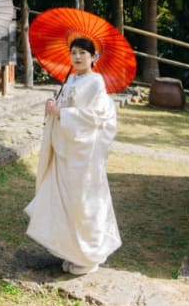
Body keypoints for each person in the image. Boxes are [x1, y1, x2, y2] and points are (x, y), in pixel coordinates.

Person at [24, 36, 120, 274]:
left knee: (82, 203)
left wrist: (63, 114)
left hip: (83, 155)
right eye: (74, 52)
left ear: (93, 58)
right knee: (64, 202)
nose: (77, 57)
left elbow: (95, 117)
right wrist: (54, 106)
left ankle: (88, 256)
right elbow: (64, 106)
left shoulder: (96, 83)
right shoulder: (70, 79)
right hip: (65, 150)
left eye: (83, 53)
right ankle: (69, 251)